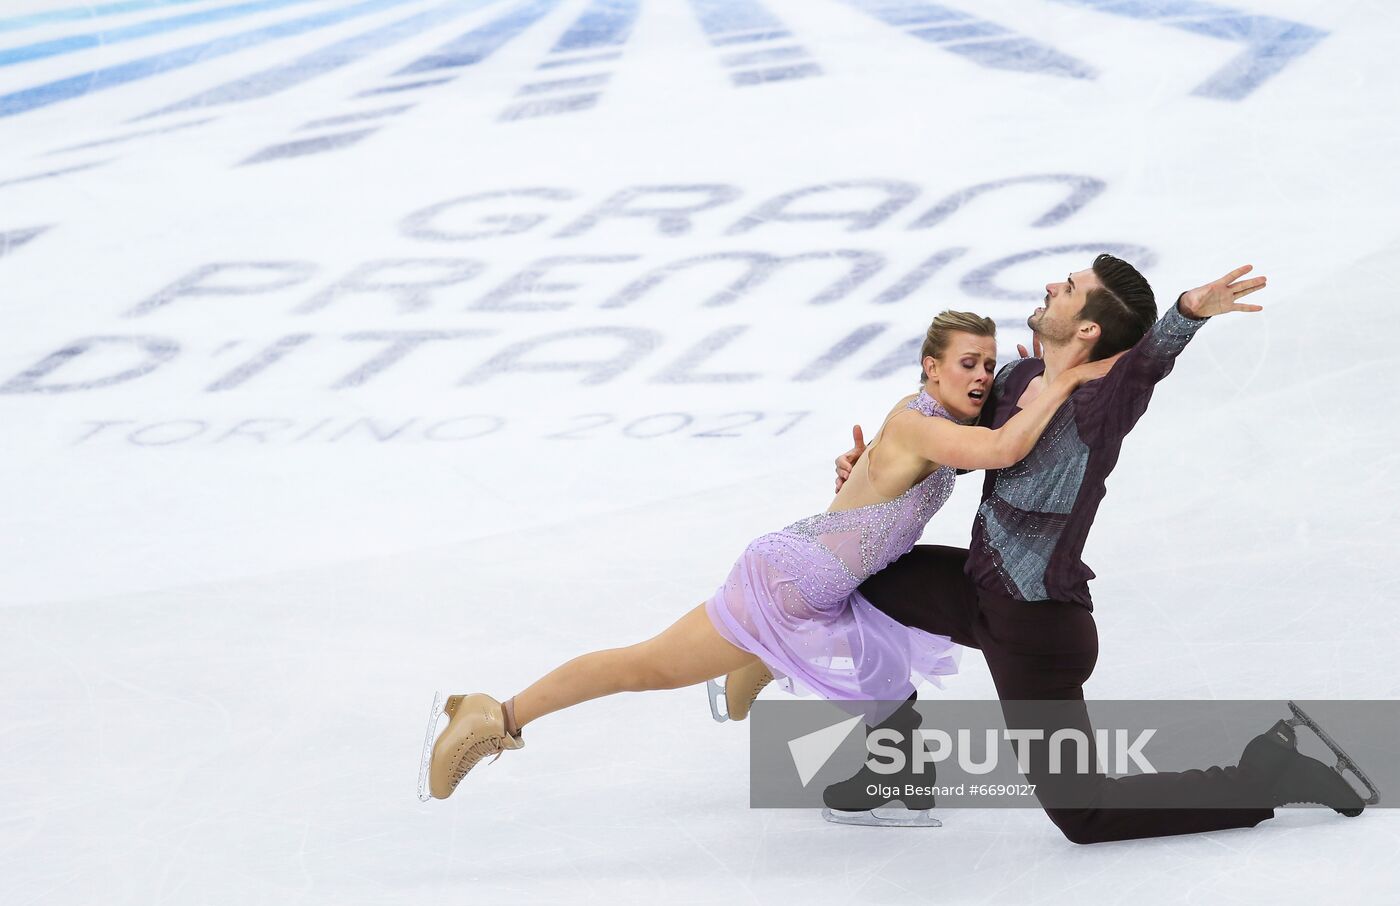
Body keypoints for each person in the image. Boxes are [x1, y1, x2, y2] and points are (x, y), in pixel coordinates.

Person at [417, 311, 1119, 805]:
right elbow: (1003, 449)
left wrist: (862, 469)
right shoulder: (918, 423)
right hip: (785, 582)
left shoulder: (936, 430)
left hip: (827, 583)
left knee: (878, 654)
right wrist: (1063, 379)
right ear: (930, 367)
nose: (981, 376)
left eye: (989, 366)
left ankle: (778, 683)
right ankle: (495, 714)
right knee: (647, 666)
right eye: (967, 363)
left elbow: (952, 463)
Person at [821, 254, 1370, 841]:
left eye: (1071, 287)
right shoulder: (1013, 380)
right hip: (976, 589)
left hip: (1036, 629)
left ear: (1087, 329)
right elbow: (951, 449)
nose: (1053, 286)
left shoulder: (1099, 405)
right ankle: (897, 763)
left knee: (1083, 815)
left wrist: (1187, 313)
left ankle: (1265, 775)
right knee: (851, 578)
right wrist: (874, 469)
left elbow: (1147, 364)